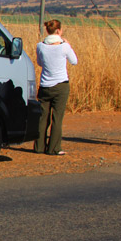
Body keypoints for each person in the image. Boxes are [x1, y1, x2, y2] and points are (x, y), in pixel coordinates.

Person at [34, 19, 78, 155]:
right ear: (58, 31)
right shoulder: (64, 46)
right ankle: (54, 148)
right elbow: (74, 61)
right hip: (61, 85)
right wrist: (68, 44)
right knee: (57, 118)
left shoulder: (40, 46)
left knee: (42, 118)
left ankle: (39, 147)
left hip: (44, 85)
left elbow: (40, 62)